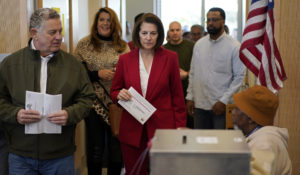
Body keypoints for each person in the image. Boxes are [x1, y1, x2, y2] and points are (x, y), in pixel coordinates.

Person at [0, 8, 95, 174]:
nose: (59, 37)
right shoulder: (10, 64)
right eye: (52, 32)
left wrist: (69, 114)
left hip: (60, 157)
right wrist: (15, 114)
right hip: (21, 156)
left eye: (60, 31)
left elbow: (87, 99)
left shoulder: (73, 65)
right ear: (34, 33)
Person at [110, 13, 186, 175]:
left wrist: (180, 127)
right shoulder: (125, 59)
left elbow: (178, 97)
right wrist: (119, 95)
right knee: (135, 172)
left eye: (153, 33)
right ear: (138, 34)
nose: (148, 38)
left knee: (165, 172)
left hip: (163, 128)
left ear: (159, 35)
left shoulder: (170, 58)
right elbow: (114, 91)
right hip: (132, 128)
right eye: (144, 33)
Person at [74, 7, 130, 175]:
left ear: (114, 24)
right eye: (102, 20)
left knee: (115, 148)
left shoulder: (122, 45)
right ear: (96, 23)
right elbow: (76, 73)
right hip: (92, 104)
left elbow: (129, 73)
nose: (105, 23)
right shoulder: (84, 44)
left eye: (109, 20)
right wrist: (96, 74)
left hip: (117, 103)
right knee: (95, 148)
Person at [186, 7, 245, 129]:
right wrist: (190, 97)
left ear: (223, 22)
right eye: (208, 20)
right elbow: (193, 73)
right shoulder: (199, 45)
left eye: (214, 19)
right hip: (200, 105)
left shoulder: (234, 46)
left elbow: (239, 77)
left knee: (221, 145)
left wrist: (224, 101)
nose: (211, 23)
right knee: (200, 144)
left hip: (220, 107)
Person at [232, 85, 292, 175]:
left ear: (250, 118)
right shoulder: (259, 137)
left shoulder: (265, 144)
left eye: (237, 109)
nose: (232, 112)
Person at [164, 21, 194, 128]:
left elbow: (199, 69)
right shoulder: (163, 49)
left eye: (177, 30)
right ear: (168, 32)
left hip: (189, 93)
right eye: (172, 30)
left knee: (190, 125)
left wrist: (186, 74)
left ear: (181, 31)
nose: (175, 33)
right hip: (170, 94)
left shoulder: (191, 46)